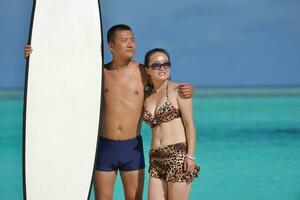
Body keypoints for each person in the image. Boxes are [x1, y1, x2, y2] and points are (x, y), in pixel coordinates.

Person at [24, 24, 194, 200]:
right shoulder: (100, 73)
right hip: (105, 147)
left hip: (132, 148)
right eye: (124, 41)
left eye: (132, 40)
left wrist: (189, 90)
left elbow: (165, 85)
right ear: (110, 46)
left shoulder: (143, 72)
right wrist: (37, 57)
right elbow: (66, 73)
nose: (130, 44)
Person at [142, 48, 200, 200]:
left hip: (178, 156)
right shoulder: (146, 96)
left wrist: (190, 156)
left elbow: (190, 125)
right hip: (155, 158)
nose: (162, 68)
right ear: (147, 70)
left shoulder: (180, 90)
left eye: (166, 64)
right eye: (157, 65)